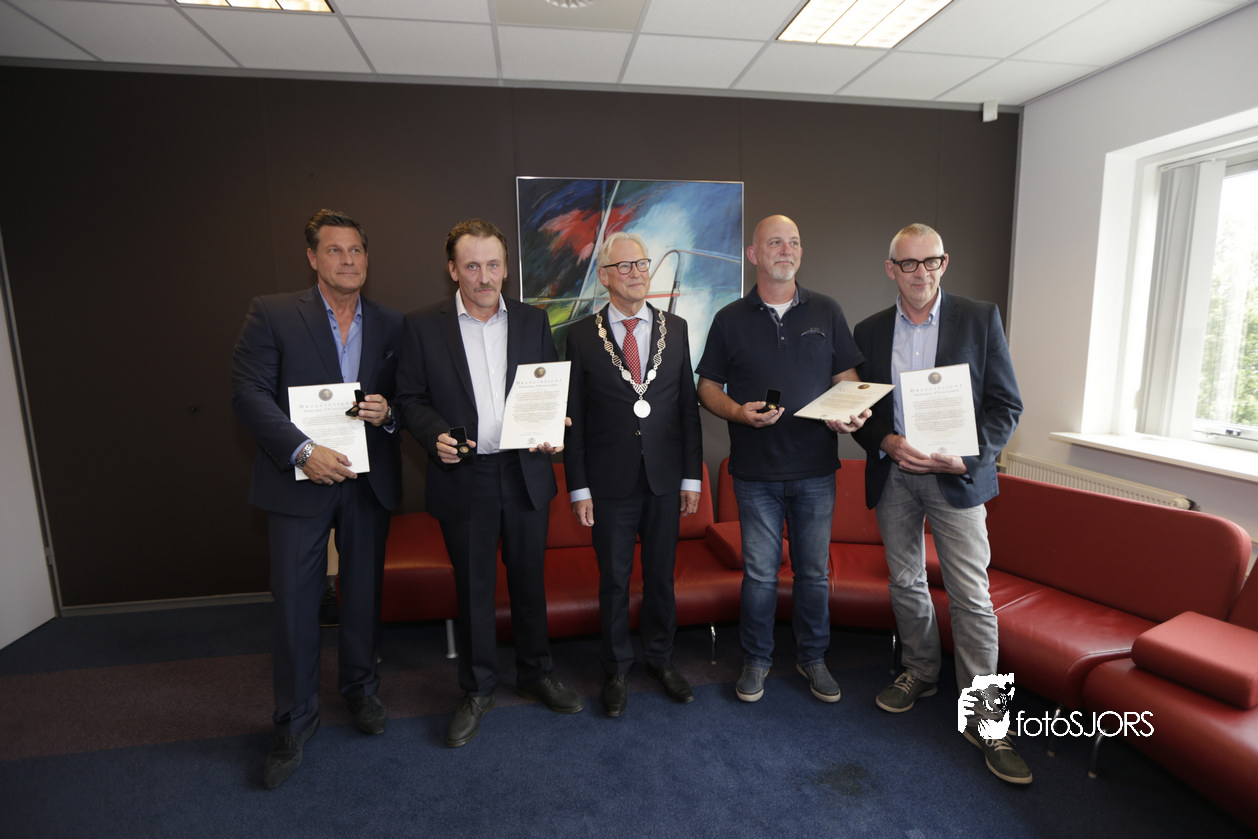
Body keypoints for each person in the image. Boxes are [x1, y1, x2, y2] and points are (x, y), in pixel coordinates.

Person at [393, 218, 583, 748]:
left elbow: (546, 388)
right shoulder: (421, 326)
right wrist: (433, 435)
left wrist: (553, 427)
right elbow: (409, 399)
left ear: (505, 268)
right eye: (472, 265)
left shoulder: (532, 320)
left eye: (493, 264)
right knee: (474, 590)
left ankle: (536, 673)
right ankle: (477, 689)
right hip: (465, 474)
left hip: (525, 472)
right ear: (453, 270)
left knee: (529, 583)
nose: (484, 276)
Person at [231, 209, 402, 789]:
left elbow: (409, 397)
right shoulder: (273, 313)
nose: (347, 260)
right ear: (312, 257)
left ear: (367, 258)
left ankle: (361, 690)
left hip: (366, 483)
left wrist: (390, 411)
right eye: (334, 250)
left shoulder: (391, 323)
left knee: (363, 597)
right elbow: (248, 394)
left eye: (356, 250)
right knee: (296, 606)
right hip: (298, 482)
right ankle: (294, 720)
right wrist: (303, 451)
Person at [851, 223, 1028, 784]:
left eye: (931, 261)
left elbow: (1006, 404)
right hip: (896, 477)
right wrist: (885, 440)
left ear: (944, 263)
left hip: (957, 478)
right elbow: (864, 413)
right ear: (891, 269)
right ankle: (921, 671)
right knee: (905, 582)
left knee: (972, 595)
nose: (920, 272)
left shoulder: (979, 318)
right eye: (908, 263)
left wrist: (969, 458)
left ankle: (986, 719)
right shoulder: (869, 330)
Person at [695, 214, 868, 705]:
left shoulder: (827, 310)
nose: (786, 250)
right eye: (775, 242)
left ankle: (813, 657)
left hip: (816, 470)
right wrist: (738, 412)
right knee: (759, 575)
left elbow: (848, 380)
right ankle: (756, 659)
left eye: (793, 242)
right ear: (754, 254)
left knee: (813, 574)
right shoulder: (729, 318)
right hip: (755, 474)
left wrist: (850, 413)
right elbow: (707, 386)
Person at [564, 231, 704, 717]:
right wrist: (578, 487)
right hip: (608, 484)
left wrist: (692, 478)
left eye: (642, 264)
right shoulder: (580, 336)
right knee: (614, 582)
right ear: (604, 277)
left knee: (662, 577)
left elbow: (687, 409)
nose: (636, 273)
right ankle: (617, 670)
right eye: (624, 266)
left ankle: (662, 660)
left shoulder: (676, 328)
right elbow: (574, 417)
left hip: (665, 479)